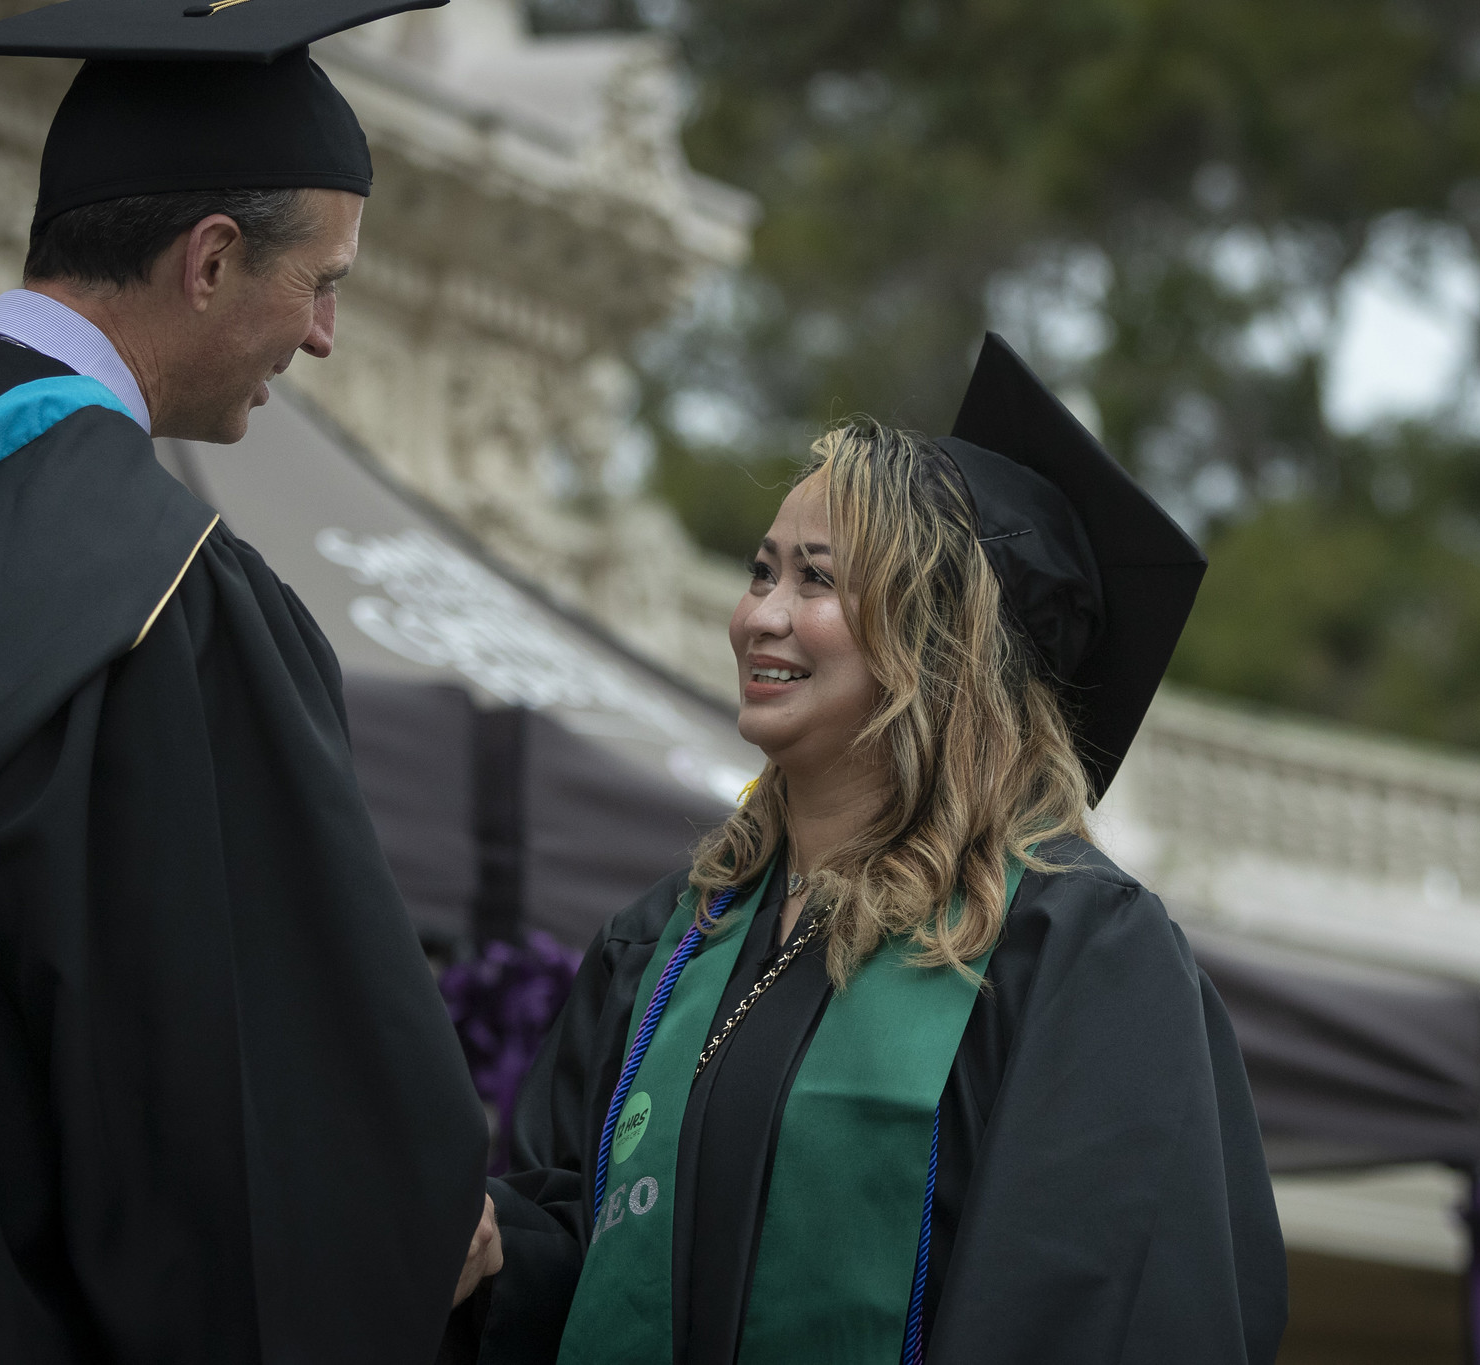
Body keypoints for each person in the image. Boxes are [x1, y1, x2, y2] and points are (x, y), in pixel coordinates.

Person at [0, 2, 500, 1360]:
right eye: (324, 281)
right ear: (213, 259)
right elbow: (238, 1113)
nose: (325, 336)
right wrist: (423, 1221)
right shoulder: (160, 598)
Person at [474, 335, 1286, 1363]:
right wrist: (493, 1252)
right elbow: (582, 1240)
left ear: (941, 643)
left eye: (816, 581)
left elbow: (1105, 1306)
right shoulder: (667, 943)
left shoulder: (1068, 949)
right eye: (759, 571)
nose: (760, 616)